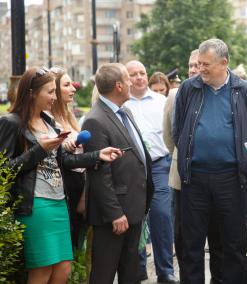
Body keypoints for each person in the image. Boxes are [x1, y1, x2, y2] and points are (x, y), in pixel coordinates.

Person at [0, 67, 122, 284]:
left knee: (63, 269)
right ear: (31, 93)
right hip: (35, 206)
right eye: (49, 92)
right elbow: (5, 170)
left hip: (58, 203)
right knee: (42, 269)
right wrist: (40, 149)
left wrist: (97, 155)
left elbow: (64, 161)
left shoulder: (48, 123)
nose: (54, 97)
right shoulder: (11, 123)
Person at [173, 38, 247, 283]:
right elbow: (178, 131)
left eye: (206, 64)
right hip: (195, 179)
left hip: (231, 179)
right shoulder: (188, 88)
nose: (200, 69)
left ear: (224, 63)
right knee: (191, 246)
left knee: (232, 245)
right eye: (199, 63)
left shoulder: (244, 90)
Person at [82, 63, 154, 283]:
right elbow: (99, 174)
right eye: (128, 79)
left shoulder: (125, 111)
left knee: (130, 273)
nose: (133, 82)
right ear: (119, 86)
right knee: (104, 273)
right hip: (114, 216)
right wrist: (114, 213)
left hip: (133, 207)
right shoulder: (95, 120)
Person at [163, 49, 224, 283]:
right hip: (183, 180)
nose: (193, 70)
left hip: (215, 180)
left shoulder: (220, 92)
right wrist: (183, 157)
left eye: (198, 66)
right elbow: (170, 136)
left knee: (217, 238)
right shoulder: (176, 95)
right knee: (186, 240)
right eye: (190, 66)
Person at [124, 60, 177, 283]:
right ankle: (138, 269)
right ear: (126, 79)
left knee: (162, 216)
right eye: (134, 74)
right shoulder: (123, 105)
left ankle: (165, 271)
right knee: (136, 217)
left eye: (142, 73)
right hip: (132, 169)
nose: (139, 77)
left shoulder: (161, 101)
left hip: (158, 165)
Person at [49, 66, 85, 249]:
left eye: (72, 84)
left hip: (80, 183)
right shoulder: (48, 120)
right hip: (64, 185)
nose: (73, 88)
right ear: (53, 90)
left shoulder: (69, 116)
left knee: (78, 242)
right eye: (67, 85)